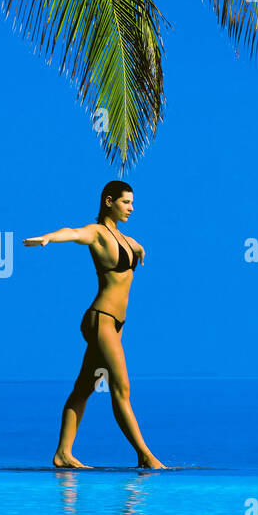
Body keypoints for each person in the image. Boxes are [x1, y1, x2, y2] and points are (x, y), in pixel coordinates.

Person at [24, 180, 165, 469]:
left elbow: (134, 247)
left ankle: (63, 454)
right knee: (121, 387)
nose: (131, 208)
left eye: (132, 202)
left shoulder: (123, 237)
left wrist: (139, 249)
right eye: (126, 202)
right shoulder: (98, 233)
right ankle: (145, 455)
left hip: (116, 324)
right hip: (101, 319)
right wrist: (49, 237)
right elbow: (74, 233)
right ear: (109, 201)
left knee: (84, 388)